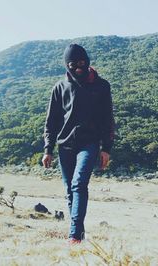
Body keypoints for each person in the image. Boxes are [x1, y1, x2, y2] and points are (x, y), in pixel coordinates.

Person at [42, 44, 115, 245]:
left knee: (79, 184)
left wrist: (106, 148)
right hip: (65, 146)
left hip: (89, 144)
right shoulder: (59, 87)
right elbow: (51, 121)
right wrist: (48, 149)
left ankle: (74, 235)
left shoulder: (101, 86)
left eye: (82, 63)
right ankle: (79, 235)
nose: (78, 67)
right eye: (73, 64)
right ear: (67, 65)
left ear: (87, 62)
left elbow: (107, 119)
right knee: (69, 191)